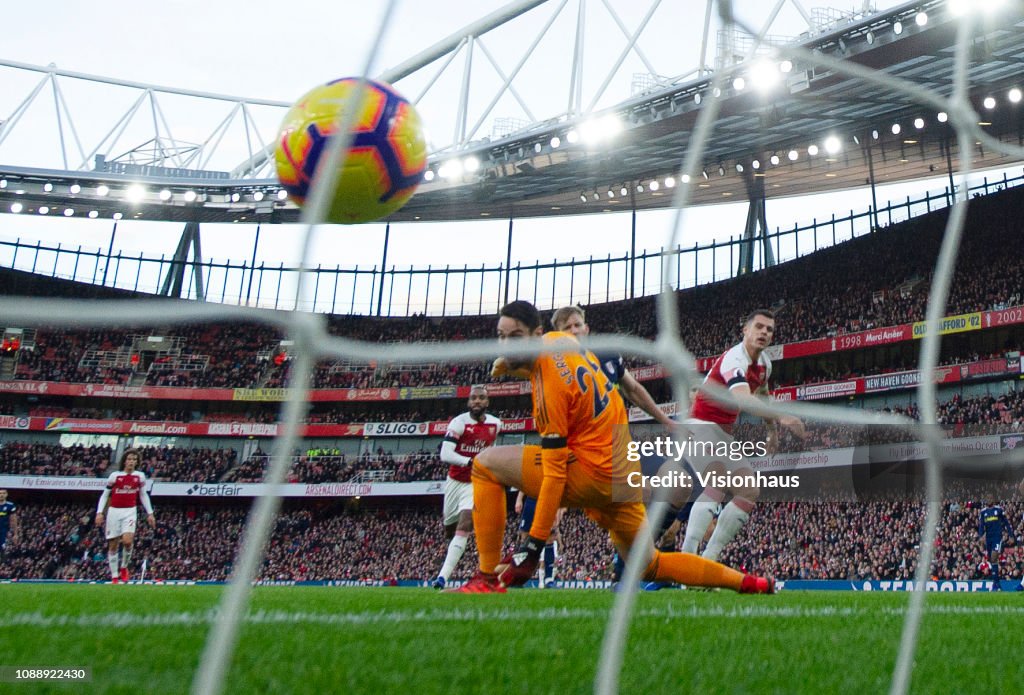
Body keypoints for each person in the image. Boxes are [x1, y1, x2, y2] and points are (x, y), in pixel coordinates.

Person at [450, 300, 773, 594]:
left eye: (515, 337)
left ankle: (487, 578)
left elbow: (554, 476)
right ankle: (749, 582)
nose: (505, 344)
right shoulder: (559, 343)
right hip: (621, 474)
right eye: (501, 336)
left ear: (537, 333)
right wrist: (513, 364)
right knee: (650, 563)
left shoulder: (551, 391)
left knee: (485, 465)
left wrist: (532, 547)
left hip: (590, 472)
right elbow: (560, 368)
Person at [681, 309, 805, 561]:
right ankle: (688, 558)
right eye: (758, 326)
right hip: (699, 425)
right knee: (716, 481)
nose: (764, 332)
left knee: (749, 490)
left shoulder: (765, 365)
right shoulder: (734, 359)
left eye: (769, 330)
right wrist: (783, 418)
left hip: (723, 435)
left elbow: (762, 398)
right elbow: (743, 399)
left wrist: (772, 431)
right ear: (745, 331)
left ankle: (709, 561)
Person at [550, 305, 675, 427]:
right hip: (577, 441)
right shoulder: (551, 364)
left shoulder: (607, 353)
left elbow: (633, 390)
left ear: (586, 329)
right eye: (567, 327)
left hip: (614, 438)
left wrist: (666, 421)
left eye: (577, 325)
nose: (574, 331)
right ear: (557, 335)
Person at [431, 386, 502, 589]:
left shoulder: (495, 424)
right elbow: (445, 454)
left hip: (475, 482)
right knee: (450, 528)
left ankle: (442, 578)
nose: (477, 401)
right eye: (473, 398)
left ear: (487, 402)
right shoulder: (459, 423)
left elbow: (490, 449)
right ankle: (450, 549)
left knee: (465, 525)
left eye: (481, 398)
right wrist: (471, 461)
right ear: (468, 402)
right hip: (455, 481)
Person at [95, 449, 155, 583]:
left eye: (134, 459)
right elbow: (105, 495)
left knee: (128, 541)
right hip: (114, 512)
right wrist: (99, 513)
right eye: (129, 459)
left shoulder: (140, 476)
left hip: (130, 511)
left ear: (137, 462)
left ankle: (124, 567)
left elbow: (143, 495)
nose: (131, 462)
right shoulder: (114, 476)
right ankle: (114, 576)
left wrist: (150, 513)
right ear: (124, 461)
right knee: (113, 546)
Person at [515, 490, 564, 588]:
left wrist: (558, 510)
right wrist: (519, 499)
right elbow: (525, 481)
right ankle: (518, 577)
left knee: (550, 538)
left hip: (548, 500)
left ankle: (549, 579)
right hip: (531, 500)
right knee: (524, 539)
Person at [977, 499, 1013, 591]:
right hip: (989, 538)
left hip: (997, 537)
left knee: (993, 557)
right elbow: (981, 526)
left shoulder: (999, 510)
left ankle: (995, 584)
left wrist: (1011, 535)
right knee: (992, 560)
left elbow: (1006, 523)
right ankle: (996, 583)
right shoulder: (983, 512)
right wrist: (980, 536)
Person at [0, 489, 19, 555]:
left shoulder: (10, 505)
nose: (1, 495)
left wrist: (15, 534)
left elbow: (14, 520)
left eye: (3, 493)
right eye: (0, 493)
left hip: (4, 531)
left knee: (3, 549)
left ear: (6, 495)